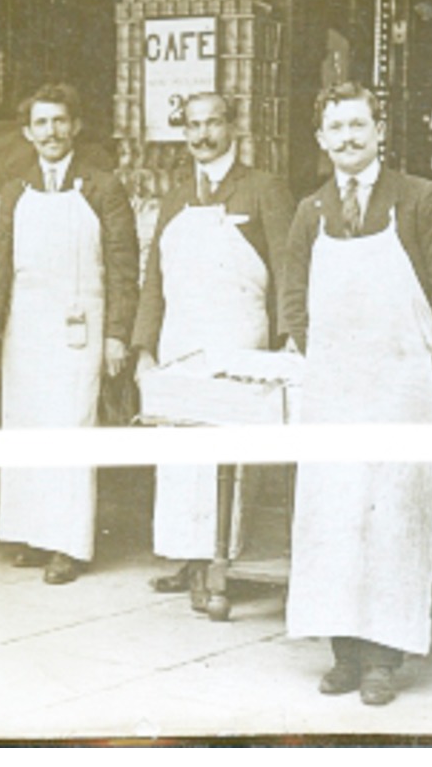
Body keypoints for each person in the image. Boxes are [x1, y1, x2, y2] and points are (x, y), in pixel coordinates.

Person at [278, 82, 432, 707]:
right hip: (335, 392)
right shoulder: (311, 211)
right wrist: (331, 359)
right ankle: (342, 653)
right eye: (335, 127)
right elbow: (293, 301)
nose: (348, 137)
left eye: (358, 125)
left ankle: (383, 660)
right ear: (321, 139)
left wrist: (427, 366)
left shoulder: (418, 200)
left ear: (380, 132)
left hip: (400, 391)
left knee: (393, 520)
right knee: (334, 518)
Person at [0, 83, 138, 585]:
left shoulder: (103, 187)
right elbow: (0, 262)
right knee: (26, 427)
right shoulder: (17, 191)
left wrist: (117, 335)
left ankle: (68, 544)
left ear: (75, 126)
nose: (51, 132)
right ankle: (30, 535)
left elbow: (125, 268)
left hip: (80, 331)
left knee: (70, 429)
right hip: (27, 330)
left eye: (60, 121)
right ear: (27, 132)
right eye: (41, 123)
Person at [132, 92, 294, 603]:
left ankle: (221, 561)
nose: (202, 135)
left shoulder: (263, 188)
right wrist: (144, 347)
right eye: (192, 126)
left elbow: (291, 271)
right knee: (179, 452)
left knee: (226, 454)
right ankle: (186, 554)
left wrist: (290, 337)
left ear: (233, 128)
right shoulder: (178, 194)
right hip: (180, 337)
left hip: (237, 338)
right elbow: (153, 278)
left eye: (212, 124)